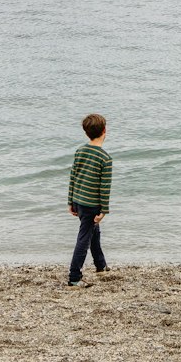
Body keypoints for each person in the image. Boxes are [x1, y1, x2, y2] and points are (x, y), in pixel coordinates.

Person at [66, 113, 113, 287]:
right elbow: (104, 188)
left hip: (79, 200)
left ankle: (100, 265)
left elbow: (73, 176)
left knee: (94, 232)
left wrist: (70, 201)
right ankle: (74, 277)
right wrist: (104, 211)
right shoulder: (105, 158)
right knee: (84, 238)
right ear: (104, 131)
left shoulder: (80, 151)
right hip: (91, 204)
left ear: (86, 133)